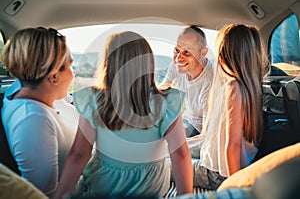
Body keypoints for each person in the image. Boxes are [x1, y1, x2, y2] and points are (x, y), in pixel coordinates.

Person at [54, 31, 193, 198]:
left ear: (107, 64)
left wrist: (60, 195)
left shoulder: (93, 99)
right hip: (149, 188)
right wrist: (186, 196)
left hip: (104, 186)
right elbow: (180, 154)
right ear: (148, 64)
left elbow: (79, 153)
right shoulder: (166, 101)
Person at [190, 24, 269, 190]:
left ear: (223, 57)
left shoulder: (233, 86)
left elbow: (232, 145)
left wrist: (234, 187)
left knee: (162, 165)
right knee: (175, 148)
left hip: (217, 174)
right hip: (219, 162)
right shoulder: (252, 87)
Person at [1, 27, 78, 197]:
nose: (74, 73)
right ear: (54, 77)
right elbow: (44, 194)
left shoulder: (29, 87)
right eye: (70, 66)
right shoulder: (34, 121)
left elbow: (69, 100)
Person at [160, 25, 214, 137]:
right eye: (177, 50)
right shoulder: (176, 65)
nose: (178, 58)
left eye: (187, 52)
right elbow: (161, 90)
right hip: (185, 119)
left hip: (198, 128)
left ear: (203, 53)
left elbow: (206, 133)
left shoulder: (210, 82)